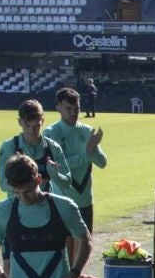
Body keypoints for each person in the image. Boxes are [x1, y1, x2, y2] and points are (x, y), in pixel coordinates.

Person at [42, 87, 107, 228]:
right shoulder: (50, 133)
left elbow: (102, 163)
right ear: (58, 108)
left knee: (85, 242)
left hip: (85, 201)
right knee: (63, 243)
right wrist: (87, 153)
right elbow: (59, 166)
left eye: (76, 109)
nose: (73, 113)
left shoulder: (87, 130)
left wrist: (94, 148)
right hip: (61, 202)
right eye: (68, 109)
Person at [0, 99, 71, 198]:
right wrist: (33, 184)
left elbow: (67, 182)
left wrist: (55, 175)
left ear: (42, 121)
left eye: (36, 125)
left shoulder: (53, 148)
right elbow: (3, 184)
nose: (31, 130)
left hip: (45, 205)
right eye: (27, 125)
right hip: (19, 205)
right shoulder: (9, 147)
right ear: (19, 122)